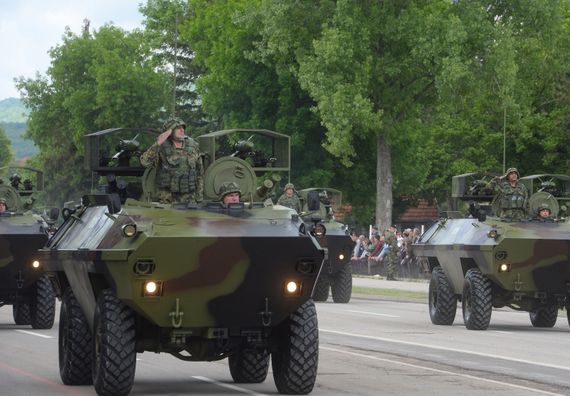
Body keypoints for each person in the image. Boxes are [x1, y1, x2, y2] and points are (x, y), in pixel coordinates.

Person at [140, 117, 204, 204]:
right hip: (167, 201)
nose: (182, 130)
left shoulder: (193, 146)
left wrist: (199, 198)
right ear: (169, 131)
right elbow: (145, 162)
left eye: (183, 128)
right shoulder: (161, 147)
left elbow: (200, 174)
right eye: (178, 128)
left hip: (190, 201)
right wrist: (157, 144)